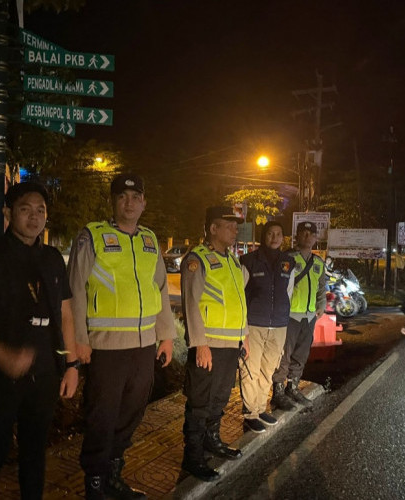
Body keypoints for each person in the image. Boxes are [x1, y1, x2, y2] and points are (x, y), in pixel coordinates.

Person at [0, 182, 79, 500]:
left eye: (41, 210)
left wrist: (71, 364)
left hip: (45, 374)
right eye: (26, 209)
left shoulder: (53, 258)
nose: (35, 217)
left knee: (35, 454)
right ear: (8, 213)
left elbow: (65, 315)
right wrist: (3, 356)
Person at [68, 173, 174, 500]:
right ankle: (95, 484)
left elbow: (160, 290)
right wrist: (79, 340)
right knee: (102, 414)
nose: (129, 203)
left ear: (144, 202)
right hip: (105, 347)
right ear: (113, 201)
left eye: (135, 197)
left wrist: (167, 336)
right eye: (122, 197)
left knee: (132, 411)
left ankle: (113, 473)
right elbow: (74, 291)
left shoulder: (149, 241)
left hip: (142, 346)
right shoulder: (92, 236)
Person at [180, 206, 249, 482]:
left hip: (230, 344)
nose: (235, 230)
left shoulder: (232, 261)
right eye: (229, 226)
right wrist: (200, 344)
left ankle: (212, 440)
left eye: (235, 226)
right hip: (208, 345)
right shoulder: (198, 260)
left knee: (219, 397)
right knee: (199, 402)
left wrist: (243, 338)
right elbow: (191, 304)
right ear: (213, 229)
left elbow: (237, 303)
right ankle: (193, 457)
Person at [239, 221, 296, 432]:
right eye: (270, 233)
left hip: (279, 325)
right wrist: (242, 327)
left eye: (278, 234)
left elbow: (287, 293)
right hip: (254, 324)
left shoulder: (288, 263)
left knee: (268, 370)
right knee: (250, 369)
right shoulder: (249, 261)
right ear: (264, 236)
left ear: (283, 238)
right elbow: (240, 295)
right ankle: (250, 413)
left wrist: (283, 318)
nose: (274, 237)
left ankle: (261, 408)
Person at [271, 221, 326, 409]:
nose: (307, 237)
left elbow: (321, 288)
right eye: (303, 233)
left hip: (309, 317)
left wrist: (321, 305)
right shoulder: (287, 258)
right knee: (284, 354)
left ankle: (292, 387)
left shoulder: (318, 263)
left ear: (316, 238)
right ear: (297, 236)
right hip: (290, 316)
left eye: (311, 234)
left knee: (301, 355)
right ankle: (277, 392)